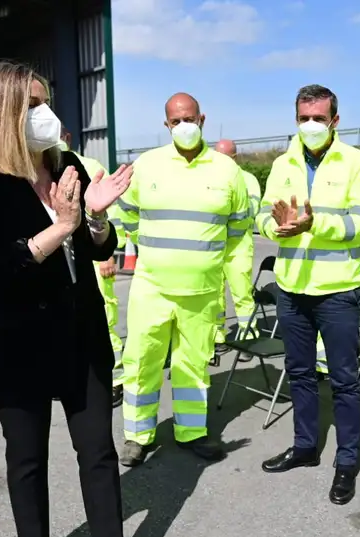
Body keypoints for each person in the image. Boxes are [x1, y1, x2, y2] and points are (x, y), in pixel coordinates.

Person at [0, 61, 132, 537]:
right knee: (27, 458)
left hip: (80, 332)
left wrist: (94, 219)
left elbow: (97, 250)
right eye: (31, 105)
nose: (44, 113)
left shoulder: (65, 161)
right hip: (15, 337)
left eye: (45, 101)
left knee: (98, 452)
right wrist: (60, 227)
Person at [256, 84, 360, 505]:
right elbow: (264, 215)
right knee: (300, 372)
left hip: (336, 290)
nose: (311, 125)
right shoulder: (283, 163)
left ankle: (346, 461)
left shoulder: (356, 162)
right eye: (304, 118)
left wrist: (315, 225)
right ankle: (306, 447)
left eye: (319, 118)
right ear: (296, 119)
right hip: (291, 288)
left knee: (344, 380)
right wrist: (277, 228)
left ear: (335, 121)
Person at [117, 93, 250, 467]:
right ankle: (137, 436)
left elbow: (239, 229)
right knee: (142, 361)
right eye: (176, 122)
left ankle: (191, 431)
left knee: (192, 365)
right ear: (166, 125)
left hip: (203, 291)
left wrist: (215, 269)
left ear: (202, 119)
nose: (183, 126)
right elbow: (127, 216)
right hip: (152, 287)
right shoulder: (148, 166)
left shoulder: (227, 171)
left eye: (189, 119)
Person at [60, 128, 126, 406]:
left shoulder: (90, 166)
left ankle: (114, 378)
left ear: (67, 138)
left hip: (92, 257)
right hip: (60, 259)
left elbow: (115, 215)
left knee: (104, 318)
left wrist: (109, 256)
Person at [212, 138, 262, 361]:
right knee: (215, 296)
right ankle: (217, 339)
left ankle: (248, 339)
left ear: (234, 158)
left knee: (242, 294)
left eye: (225, 157)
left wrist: (223, 208)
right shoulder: (209, 177)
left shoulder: (248, 179)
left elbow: (250, 209)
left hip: (238, 246)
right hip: (214, 246)